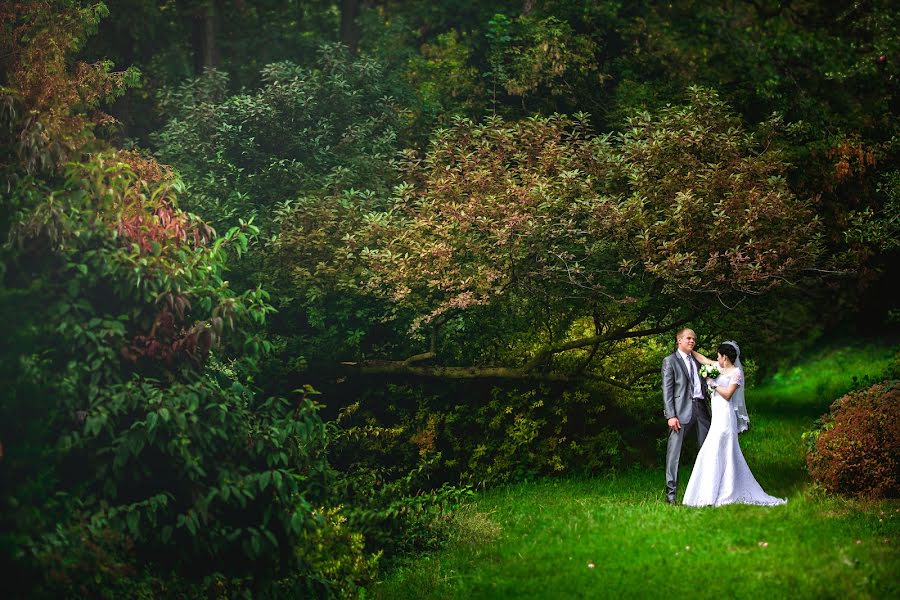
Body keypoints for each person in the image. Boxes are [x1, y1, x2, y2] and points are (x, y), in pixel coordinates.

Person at [681, 341, 787, 507]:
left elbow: (729, 394)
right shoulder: (718, 367)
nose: (716, 358)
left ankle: (727, 490)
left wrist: (713, 384)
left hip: (725, 416)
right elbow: (703, 359)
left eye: (718, 356)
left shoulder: (736, 373)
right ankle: (707, 491)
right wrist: (690, 350)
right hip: (717, 416)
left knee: (722, 447)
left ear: (724, 357)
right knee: (712, 448)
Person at [662, 328, 712, 505]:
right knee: (674, 454)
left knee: (706, 451)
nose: (692, 341)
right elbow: (667, 391)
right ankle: (671, 495)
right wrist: (670, 415)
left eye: (694, 339)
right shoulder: (670, 361)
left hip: (702, 410)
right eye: (688, 338)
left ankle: (706, 493)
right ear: (679, 340)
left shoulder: (698, 361)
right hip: (680, 412)